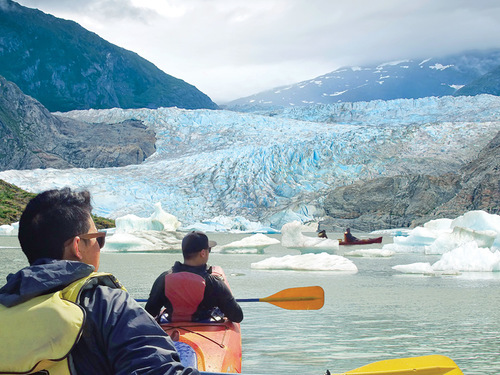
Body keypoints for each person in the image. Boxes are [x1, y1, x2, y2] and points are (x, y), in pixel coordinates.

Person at [0, 188, 198, 375]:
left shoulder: (4, 301)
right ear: (78, 246)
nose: (99, 248)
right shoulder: (108, 304)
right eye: (98, 239)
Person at [145, 231, 243, 323]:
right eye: (209, 250)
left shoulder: (163, 279)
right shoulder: (213, 283)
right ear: (203, 253)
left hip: (172, 328)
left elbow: (149, 313)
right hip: (204, 327)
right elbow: (237, 316)